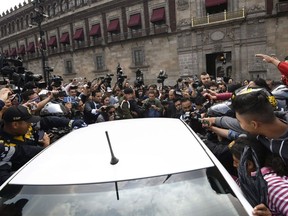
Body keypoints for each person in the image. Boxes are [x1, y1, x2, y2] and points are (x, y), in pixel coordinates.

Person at [230, 136, 288, 216]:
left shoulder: (273, 186)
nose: (234, 165)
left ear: (249, 164)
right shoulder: (251, 180)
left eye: (236, 162)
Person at [231, 89, 288, 164]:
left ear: (254, 124)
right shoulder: (266, 123)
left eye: (239, 121)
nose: (239, 125)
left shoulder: (285, 151)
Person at [0, 105, 50, 184]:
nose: (30, 125)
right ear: (15, 125)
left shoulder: (23, 127)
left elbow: (46, 121)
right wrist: (46, 150)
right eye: (27, 123)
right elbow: (7, 184)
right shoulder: (3, 146)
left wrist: (71, 123)